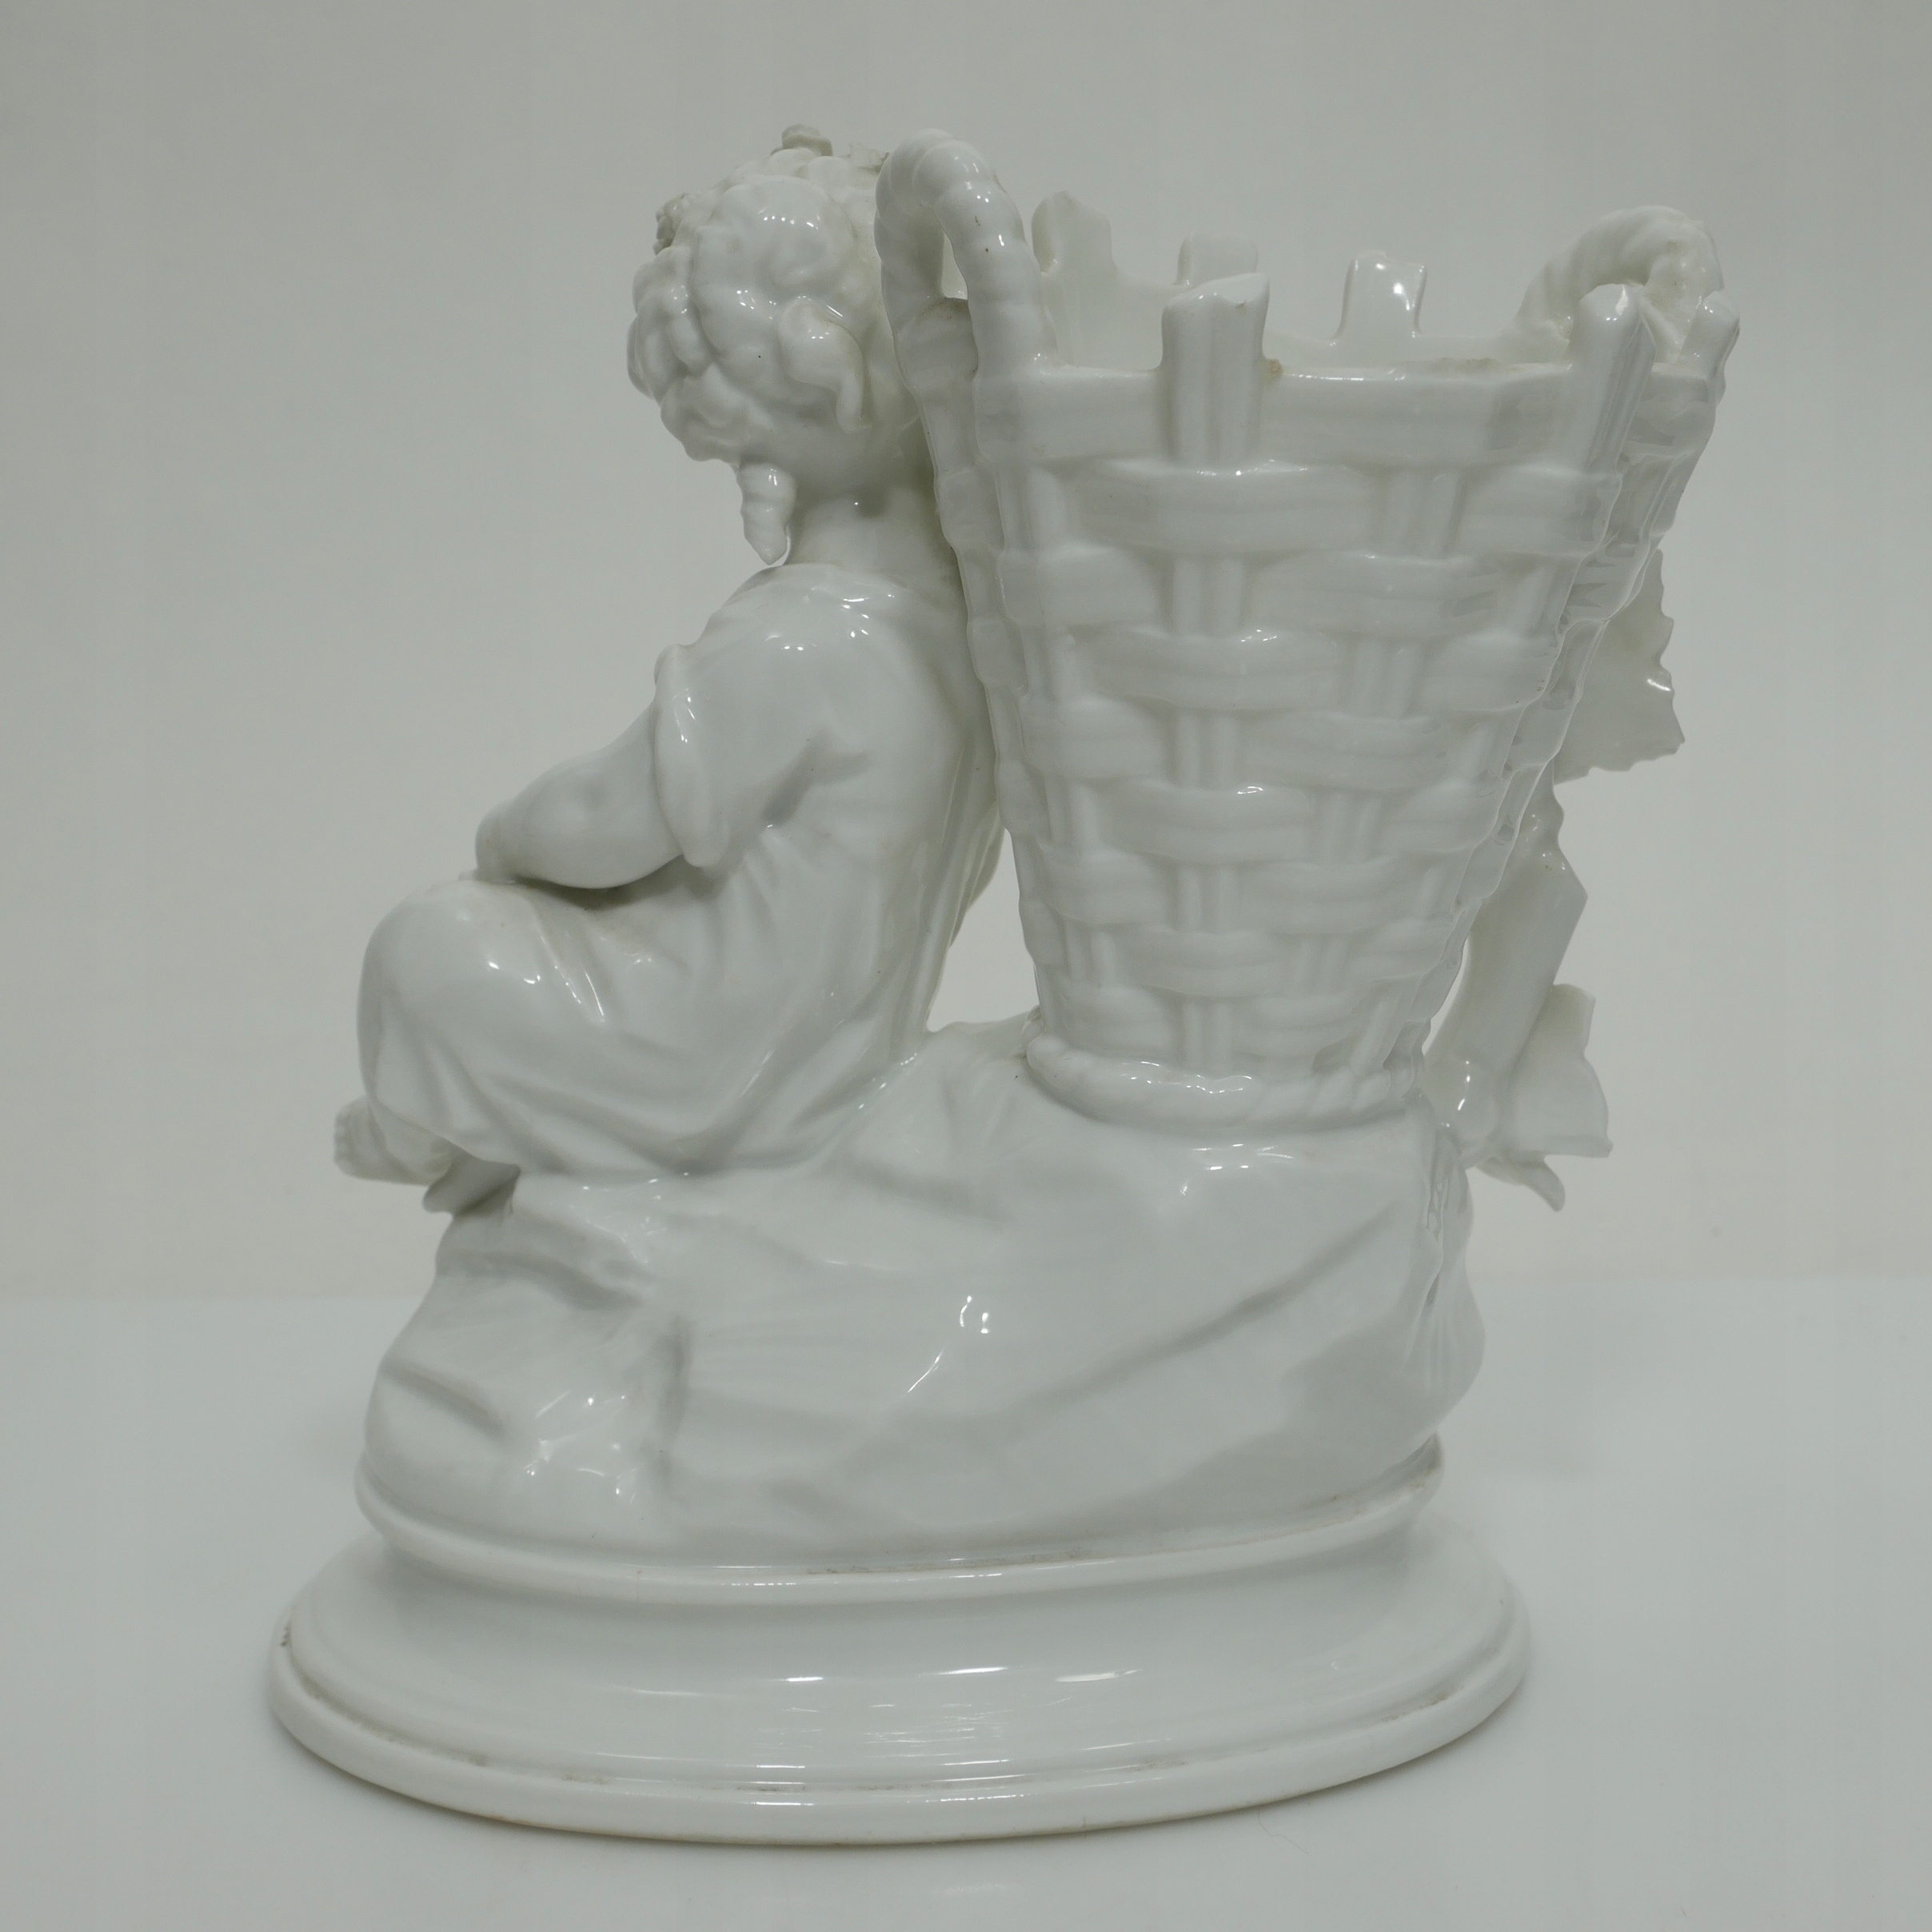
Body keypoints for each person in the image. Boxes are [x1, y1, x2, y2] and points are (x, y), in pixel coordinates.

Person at [335, 131, 998, 1208]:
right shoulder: (965, 633)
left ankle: (433, 1129)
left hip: (715, 1063)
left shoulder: (799, 640)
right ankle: (504, 1127)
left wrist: (508, 837)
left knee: (431, 944)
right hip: (834, 1055)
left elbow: (612, 821)